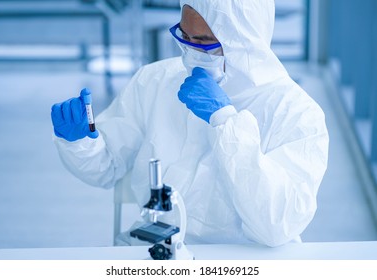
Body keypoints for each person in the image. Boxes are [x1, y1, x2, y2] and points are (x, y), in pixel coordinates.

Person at [51, 0, 329, 247]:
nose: (191, 51)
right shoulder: (155, 81)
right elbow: (107, 168)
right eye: (185, 36)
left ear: (244, 41)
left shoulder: (296, 114)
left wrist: (226, 123)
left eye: (205, 41)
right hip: (158, 248)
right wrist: (81, 142)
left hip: (248, 258)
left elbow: (276, 227)